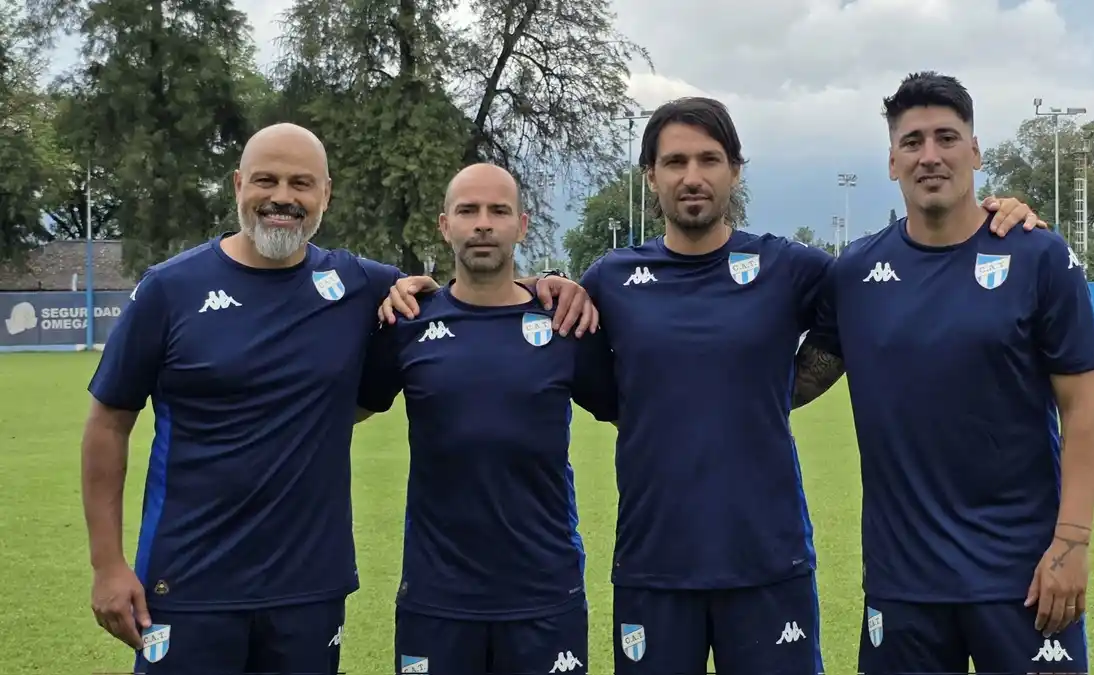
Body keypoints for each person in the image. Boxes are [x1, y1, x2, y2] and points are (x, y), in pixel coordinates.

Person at [82, 123, 597, 675]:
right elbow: (108, 424)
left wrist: (553, 282)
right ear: (237, 186)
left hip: (311, 587)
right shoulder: (170, 288)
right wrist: (108, 565)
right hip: (186, 579)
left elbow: (470, 287)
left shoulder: (356, 283)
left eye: (301, 183)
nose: (283, 196)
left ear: (325, 194)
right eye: (266, 180)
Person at [566, 96, 1043, 675]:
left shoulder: (789, 268)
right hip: (653, 565)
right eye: (674, 162)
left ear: (735, 170)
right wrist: (537, 284)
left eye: (710, 159)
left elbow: (890, 281)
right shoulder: (610, 281)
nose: (693, 177)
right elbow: (593, 384)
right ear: (651, 176)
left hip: (771, 561)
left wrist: (998, 215)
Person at [804, 72, 1094, 674]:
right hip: (902, 583)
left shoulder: (1039, 256)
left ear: (976, 150)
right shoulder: (854, 274)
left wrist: (1072, 544)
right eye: (912, 142)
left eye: (947, 137)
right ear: (892, 161)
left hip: (1025, 577)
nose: (931, 155)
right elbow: (798, 375)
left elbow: (1084, 409)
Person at [358, 162, 618, 675]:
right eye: (468, 211)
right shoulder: (407, 324)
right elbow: (333, 414)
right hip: (437, 598)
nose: (482, 223)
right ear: (444, 225)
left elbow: (636, 417)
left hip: (545, 594)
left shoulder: (564, 324)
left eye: (498, 211)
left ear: (521, 225)